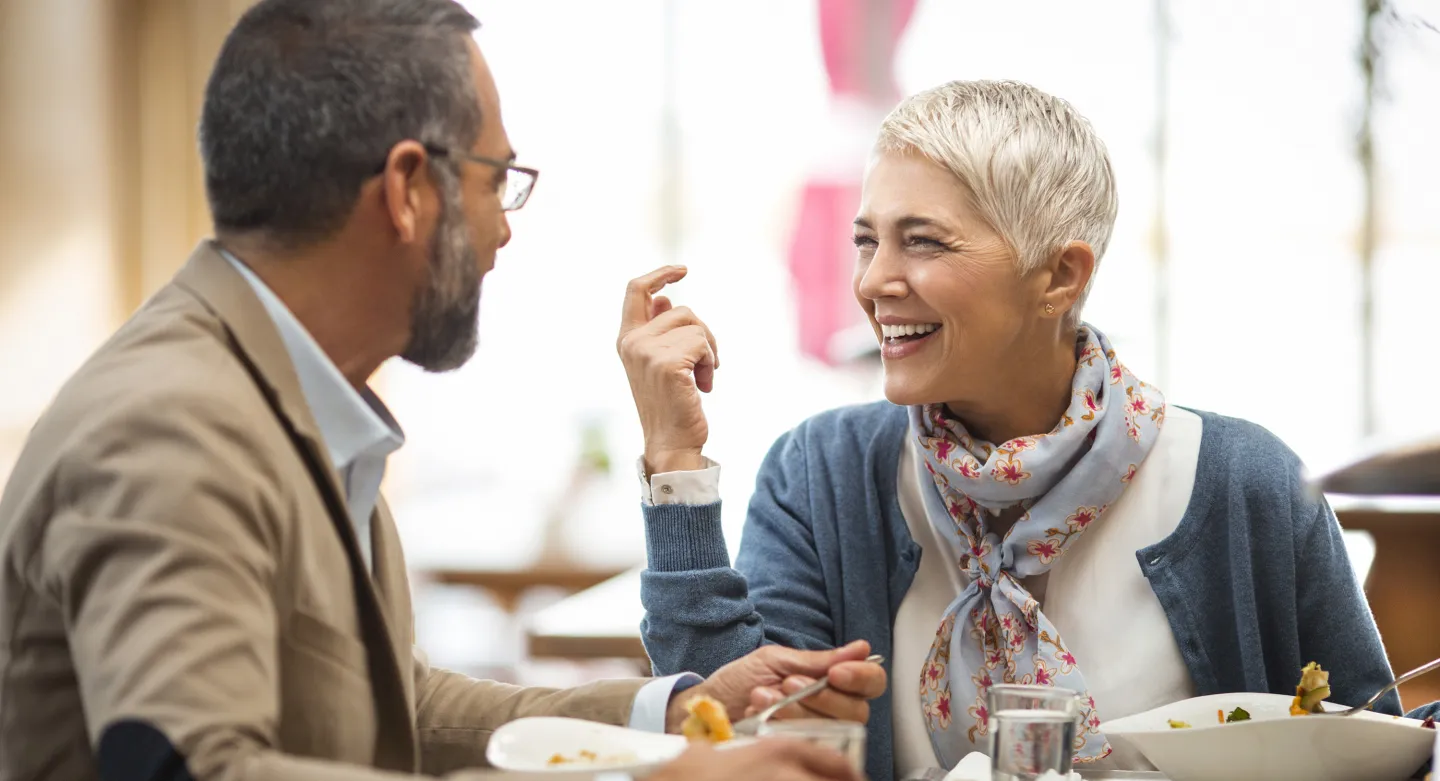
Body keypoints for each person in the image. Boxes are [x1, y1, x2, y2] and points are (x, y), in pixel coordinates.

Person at [0, 2, 886, 780]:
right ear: (408, 189)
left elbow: (404, 715)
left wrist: (677, 713)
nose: (504, 227)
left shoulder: (295, 399)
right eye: (497, 180)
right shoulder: (176, 423)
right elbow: (195, 767)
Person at [618, 79, 1422, 781]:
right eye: (867, 240)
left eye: (922, 241)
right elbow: (735, 742)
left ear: (1060, 275)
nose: (872, 281)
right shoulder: (823, 473)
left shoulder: (1244, 484)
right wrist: (675, 462)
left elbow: (1371, 743)